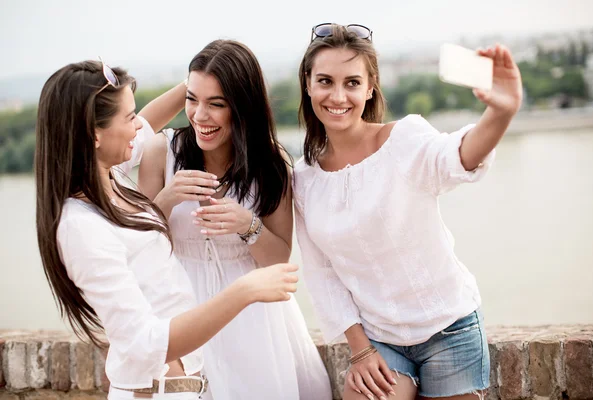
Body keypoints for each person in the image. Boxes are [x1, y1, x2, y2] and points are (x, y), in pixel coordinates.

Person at [35, 59, 300, 400]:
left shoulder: (111, 180)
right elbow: (144, 344)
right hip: (156, 391)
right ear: (94, 133)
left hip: (182, 386)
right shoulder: (80, 226)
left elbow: (147, 121)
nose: (139, 127)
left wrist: (201, 82)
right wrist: (243, 291)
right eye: (130, 118)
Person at [293, 23, 523, 400]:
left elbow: (457, 158)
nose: (338, 95)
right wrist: (361, 349)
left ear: (370, 88)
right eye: (325, 81)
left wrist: (500, 113)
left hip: (450, 328)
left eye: (352, 82)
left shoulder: (405, 139)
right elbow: (322, 274)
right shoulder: (303, 179)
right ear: (308, 84)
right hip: (380, 340)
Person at [138, 40, 332, 400]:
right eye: (192, 99)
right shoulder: (161, 152)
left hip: (254, 320)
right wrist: (166, 200)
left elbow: (278, 261)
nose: (199, 115)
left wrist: (247, 225)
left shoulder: (271, 165)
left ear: (243, 108)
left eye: (216, 104)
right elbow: (139, 251)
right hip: (180, 313)